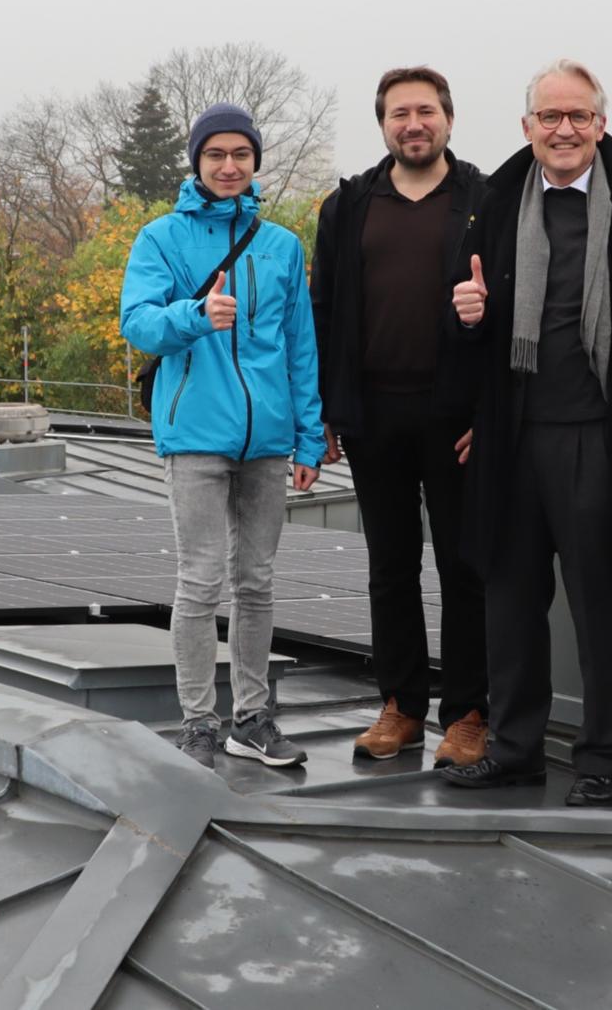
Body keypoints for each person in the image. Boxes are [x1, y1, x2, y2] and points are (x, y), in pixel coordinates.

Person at [438, 59, 612, 807]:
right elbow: (470, 331)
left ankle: (602, 760)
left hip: (604, 438)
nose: (563, 130)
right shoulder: (493, 205)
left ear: (601, 124)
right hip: (515, 439)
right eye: (549, 117)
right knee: (510, 604)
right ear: (525, 127)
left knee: (602, 607)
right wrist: (468, 327)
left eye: (578, 116)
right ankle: (516, 750)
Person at [119, 102, 326, 770]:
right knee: (200, 582)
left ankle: (252, 719)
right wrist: (195, 314)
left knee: (257, 582)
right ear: (197, 162)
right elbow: (139, 324)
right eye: (216, 155)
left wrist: (309, 436)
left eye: (241, 154)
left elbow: (301, 348)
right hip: (195, 437)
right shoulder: (161, 239)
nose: (229, 166)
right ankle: (199, 723)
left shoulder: (281, 246)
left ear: (255, 161)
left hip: (266, 441)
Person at [312, 67, 492, 768]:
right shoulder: (352, 203)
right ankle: (401, 707)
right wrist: (328, 406)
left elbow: (509, 308)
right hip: (373, 412)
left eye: (425, 111)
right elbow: (325, 309)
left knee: (464, 565)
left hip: (456, 415)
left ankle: (470, 712)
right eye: (398, 113)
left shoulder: (485, 198)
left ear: (449, 118)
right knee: (389, 565)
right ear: (383, 124)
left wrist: (491, 411)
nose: (412, 124)